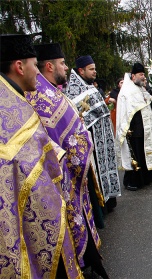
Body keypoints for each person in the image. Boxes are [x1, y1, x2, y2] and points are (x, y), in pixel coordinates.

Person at [0, 34, 83, 278]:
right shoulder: (9, 111)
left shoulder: (16, 100)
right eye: (34, 65)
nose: (37, 73)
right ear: (19, 66)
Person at [24, 43, 108, 277]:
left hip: (71, 172)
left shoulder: (49, 90)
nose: (66, 67)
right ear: (49, 66)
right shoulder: (42, 95)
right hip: (63, 176)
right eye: (63, 63)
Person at [65, 55, 121, 228]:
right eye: (91, 69)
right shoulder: (74, 90)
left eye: (95, 68)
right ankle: (100, 204)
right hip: (92, 143)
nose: (95, 71)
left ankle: (108, 199)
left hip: (102, 139)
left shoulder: (90, 87)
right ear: (81, 71)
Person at [116, 63, 152, 191]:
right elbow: (125, 112)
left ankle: (146, 178)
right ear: (133, 76)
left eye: (144, 74)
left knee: (144, 154)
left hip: (144, 129)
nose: (143, 77)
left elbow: (146, 105)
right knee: (135, 156)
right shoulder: (127, 91)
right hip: (133, 130)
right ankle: (132, 181)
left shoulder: (141, 89)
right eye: (141, 74)